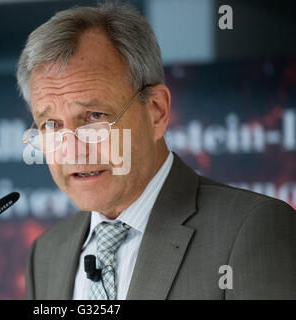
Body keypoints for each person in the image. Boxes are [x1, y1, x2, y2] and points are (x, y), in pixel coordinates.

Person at [16, 3, 296, 299]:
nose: (72, 150)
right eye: (51, 124)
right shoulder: (45, 254)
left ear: (156, 112)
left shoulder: (251, 229)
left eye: (94, 116)